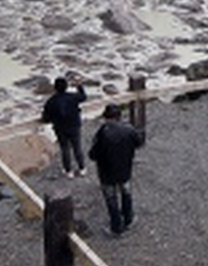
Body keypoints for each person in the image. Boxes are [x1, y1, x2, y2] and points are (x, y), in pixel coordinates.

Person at [88, 103, 145, 236]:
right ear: (119, 116)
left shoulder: (102, 133)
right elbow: (138, 143)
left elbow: (93, 155)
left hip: (107, 172)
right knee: (126, 193)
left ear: (106, 117)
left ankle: (117, 227)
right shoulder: (129, 129)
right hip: (125, 169)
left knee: (111, 198)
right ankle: (129, 219)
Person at [41, 75, 87, 178]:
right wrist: (79, 86)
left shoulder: (51, 101)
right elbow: (84, 97)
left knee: (65, 149)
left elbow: (45, 118)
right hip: (74, 125)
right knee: (77, 147)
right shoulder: (72, 97)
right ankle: (82, 168)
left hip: (60, 128)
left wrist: (51, 118)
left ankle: (68, 171)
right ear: (66, 87)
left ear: (55, 88)